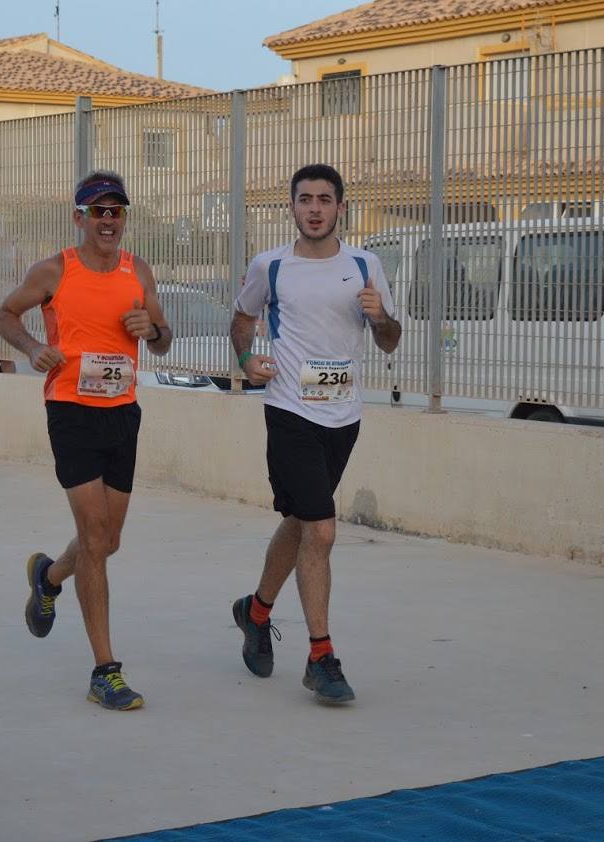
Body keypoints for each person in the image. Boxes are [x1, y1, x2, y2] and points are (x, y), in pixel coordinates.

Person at [0, 170, 172, 711]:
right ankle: (105, 671)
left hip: (123, 412)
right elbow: (5, 314)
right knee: (94, 538)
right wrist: (30, 347)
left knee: (107, 542)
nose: (108, 220)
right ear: (79, 218)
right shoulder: (53, 271)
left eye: (116, 211)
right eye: (98, 211)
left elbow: (163, 341)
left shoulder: (137, 269)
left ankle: (48, 578)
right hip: (71, 410)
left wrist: (153, 330)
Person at [229, 163, 401, 705]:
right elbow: (240, 319)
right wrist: (246, 358)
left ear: (341, 208)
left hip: (343, 415)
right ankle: (321, 657)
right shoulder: (270, 265)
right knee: (322, 531)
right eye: (305, 199)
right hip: (288, 410)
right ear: (292, 207)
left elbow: (391, 342)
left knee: (303, 521)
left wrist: (380, 318)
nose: (315, 208)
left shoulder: (365, 264)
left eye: (325, 199)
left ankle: (255, 611)